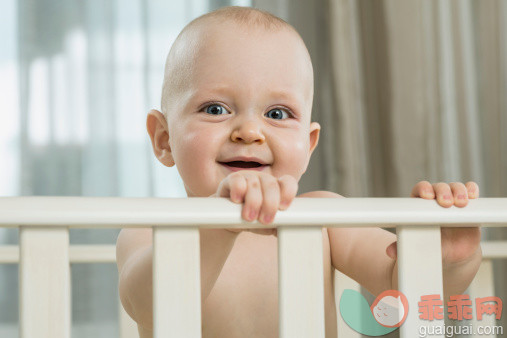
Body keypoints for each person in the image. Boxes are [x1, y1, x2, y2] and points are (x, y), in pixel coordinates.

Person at [115, 6, 482, 338]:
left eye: (277, 114)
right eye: (215, 109)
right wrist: (218, 223)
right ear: (164, 139)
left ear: (307, 146)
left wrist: (449, 259)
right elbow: (151, 307)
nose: (249, 131)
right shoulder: (149, 229)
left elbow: (409, 288)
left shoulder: (323, 218)